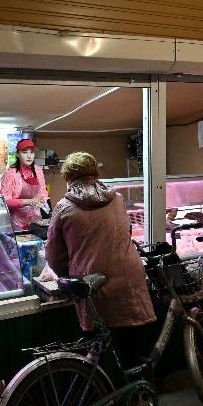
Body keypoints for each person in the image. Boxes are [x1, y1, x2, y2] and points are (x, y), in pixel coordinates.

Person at [45, 152, 157, 370]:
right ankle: (133, 398)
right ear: (95, 172)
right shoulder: (117, 199)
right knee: (132, 357)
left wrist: (69, 275)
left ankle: (105, 397)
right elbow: (127, 232)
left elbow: (54, 256)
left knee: (100, 361)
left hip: (94, 287)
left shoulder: (64, 207)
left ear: (68, 177)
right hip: (130, 285)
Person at [0, 139, 48, 231]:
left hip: (35, 220)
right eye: (24, 152)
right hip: (15, 221)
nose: (29, 156)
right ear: (18, 154)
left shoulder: (38, 171)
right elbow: (4, 200)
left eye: (32, 152)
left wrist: (42, 200)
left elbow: (43, 193)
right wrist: (29, 201)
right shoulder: (10, 173)